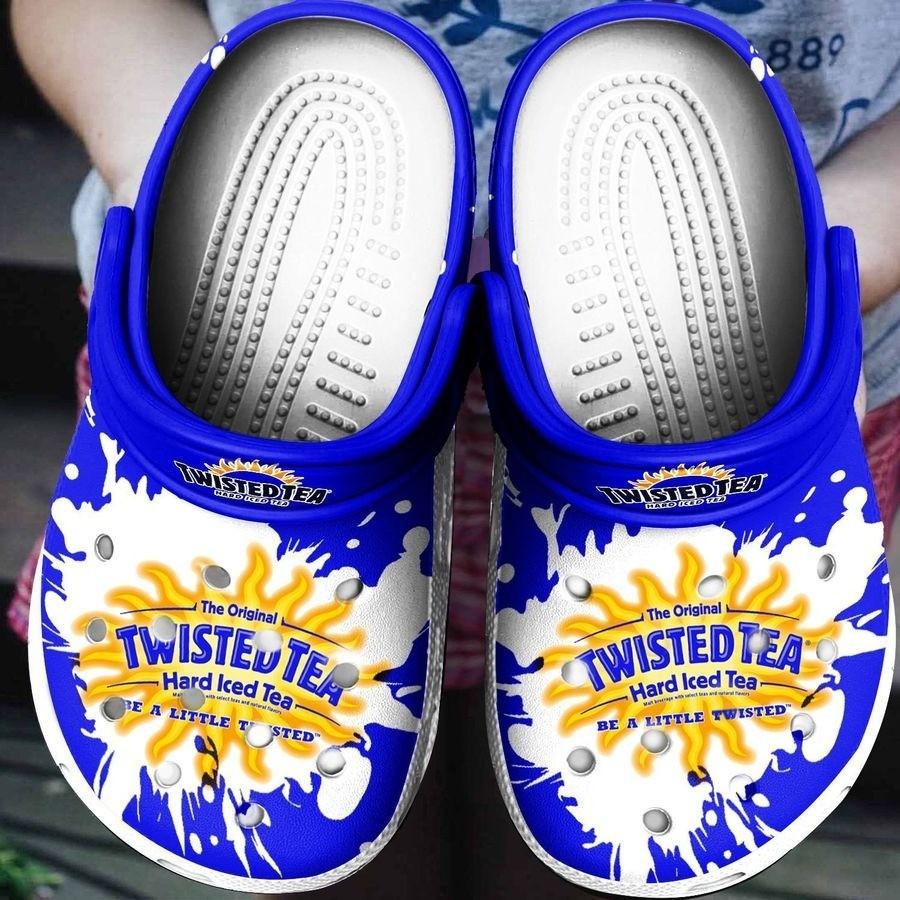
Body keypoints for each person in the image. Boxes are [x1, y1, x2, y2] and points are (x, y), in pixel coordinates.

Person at [9, 0, 900, 686]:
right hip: (250, 321)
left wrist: (818, 263)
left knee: (565, 810)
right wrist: (170, 169)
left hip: (744, 347)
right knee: (341, 801)